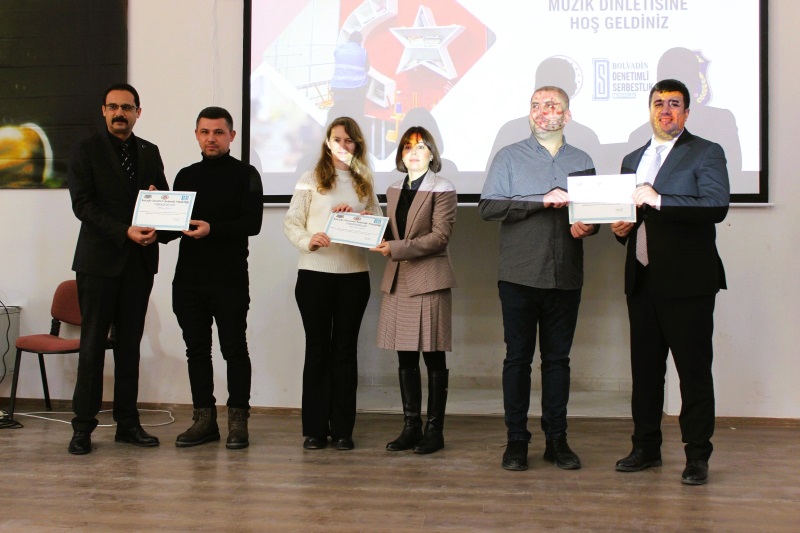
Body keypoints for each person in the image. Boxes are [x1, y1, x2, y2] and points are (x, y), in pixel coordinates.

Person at [611, 79, 729, 486]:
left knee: (693, 373)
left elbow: (715, 205)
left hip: (688, 282)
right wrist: (621, 229)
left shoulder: (706, 152)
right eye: (658, 103)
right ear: (649, 110)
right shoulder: (632, 159)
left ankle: (697, 456)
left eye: (674, 104)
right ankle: (645, 448)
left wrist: (658, 199)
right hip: (641, 279)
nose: (665, 110)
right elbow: (631, 218)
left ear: (686, 112)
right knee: (645, 373)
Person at [479, 86, 598, 472]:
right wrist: (540, 200)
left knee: (557, 361)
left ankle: (556, 440)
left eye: (551, 105)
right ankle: (516, 440)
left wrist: (589, 226)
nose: (542, 111)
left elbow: (592, 215)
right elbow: (489, 207)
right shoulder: (509, 156)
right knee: (517, 360)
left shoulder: (582, 160)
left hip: (565, 275)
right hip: (519, 275)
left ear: (567, 114)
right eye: (535, 105)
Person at [66, 83, 169, 455]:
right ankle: (82, 428)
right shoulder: (86, 150)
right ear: (103, 111)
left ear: (138, 112)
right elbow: (83, 205)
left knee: (129, 348)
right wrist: (124, 231)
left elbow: (163, 199)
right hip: (99, 263)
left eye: (127, 107)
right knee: (92, 346)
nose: (119, 113)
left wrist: (160, 212)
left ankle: (127, 424)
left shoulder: (149, 151)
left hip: (139, 263)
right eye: (113, 107)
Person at [163, 107, 263, 450]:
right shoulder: (185, 176)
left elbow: (252, 224)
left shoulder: (246, 174)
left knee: (234, 349)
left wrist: (213, 229)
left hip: (229, 279)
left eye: (219, 132)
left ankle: (238, 421)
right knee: (196, 351)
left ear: (231, 136)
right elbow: (174, 229)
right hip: (188, 280)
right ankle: (204, 420)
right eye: (204, 132)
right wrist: (155, 213)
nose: (211, 138)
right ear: (196, 135)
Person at [284, 116, 382, 451]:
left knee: (344, 352)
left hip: (354, 277)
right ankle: (314, 429)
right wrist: (309, 240)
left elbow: (378, 224)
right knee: (317, 351)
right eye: (337, 139)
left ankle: (342, 430)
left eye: (349, 140)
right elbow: (292, 222)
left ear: (357, 145)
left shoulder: (364, 182)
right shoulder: (310, 179)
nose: (343, 145)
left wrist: (362, 219)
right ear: (328, 143)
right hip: (314, 275)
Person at [371, 126, 457, 454]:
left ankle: (435, 430)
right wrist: (365, 223)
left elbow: (440, 237)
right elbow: (392, 232)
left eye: (420, 147)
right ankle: (411, 427)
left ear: (432, 153)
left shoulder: (443, 188)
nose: (413, 152)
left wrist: (395, 247)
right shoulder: (393, 189)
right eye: (407, 147)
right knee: (405, 356)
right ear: (401, 155)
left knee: (433, 356)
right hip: (399, 279)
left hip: (429, 280)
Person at [329, 31, 370, 120]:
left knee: (340, 112)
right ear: (360, 41)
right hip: (357, 88)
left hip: (338, 87)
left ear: (349, 39)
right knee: (356, 114)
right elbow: (367, 68)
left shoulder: (338, 49)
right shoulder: (363, 52)